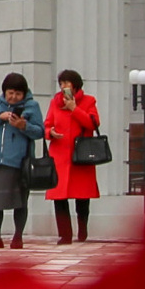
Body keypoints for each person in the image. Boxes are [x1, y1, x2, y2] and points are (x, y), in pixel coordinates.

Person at [0, 73, 46, 250]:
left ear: (24, 94)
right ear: (4, 92)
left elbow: (39, 131)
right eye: (10, 93)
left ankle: (18, 237)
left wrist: (24, 126)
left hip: (19, 161)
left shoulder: (32, 106)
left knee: (19, 200)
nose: (13, 97)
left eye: (18, 94)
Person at [46, 68, 104, 245]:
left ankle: (82, 229)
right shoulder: (55, 103)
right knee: (59, 196)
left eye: (67, 83)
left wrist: (75, 109)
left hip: (82, 155)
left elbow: (93, 123)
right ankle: (65, 234)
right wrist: (51, 132)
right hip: (60, 155)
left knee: (82, 196)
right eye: (61, 83)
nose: (64, 86)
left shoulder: (88, 101)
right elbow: (47, 124)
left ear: (75, 85)